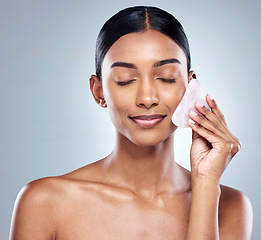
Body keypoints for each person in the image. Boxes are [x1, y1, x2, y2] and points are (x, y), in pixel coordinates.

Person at [9, 6, 253, 240]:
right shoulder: (44, 202)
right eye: (125, 80)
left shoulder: (230, 207)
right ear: (98, 91)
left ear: (190, 86)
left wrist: (206, 185)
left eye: (166, 78)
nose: (147, 98)